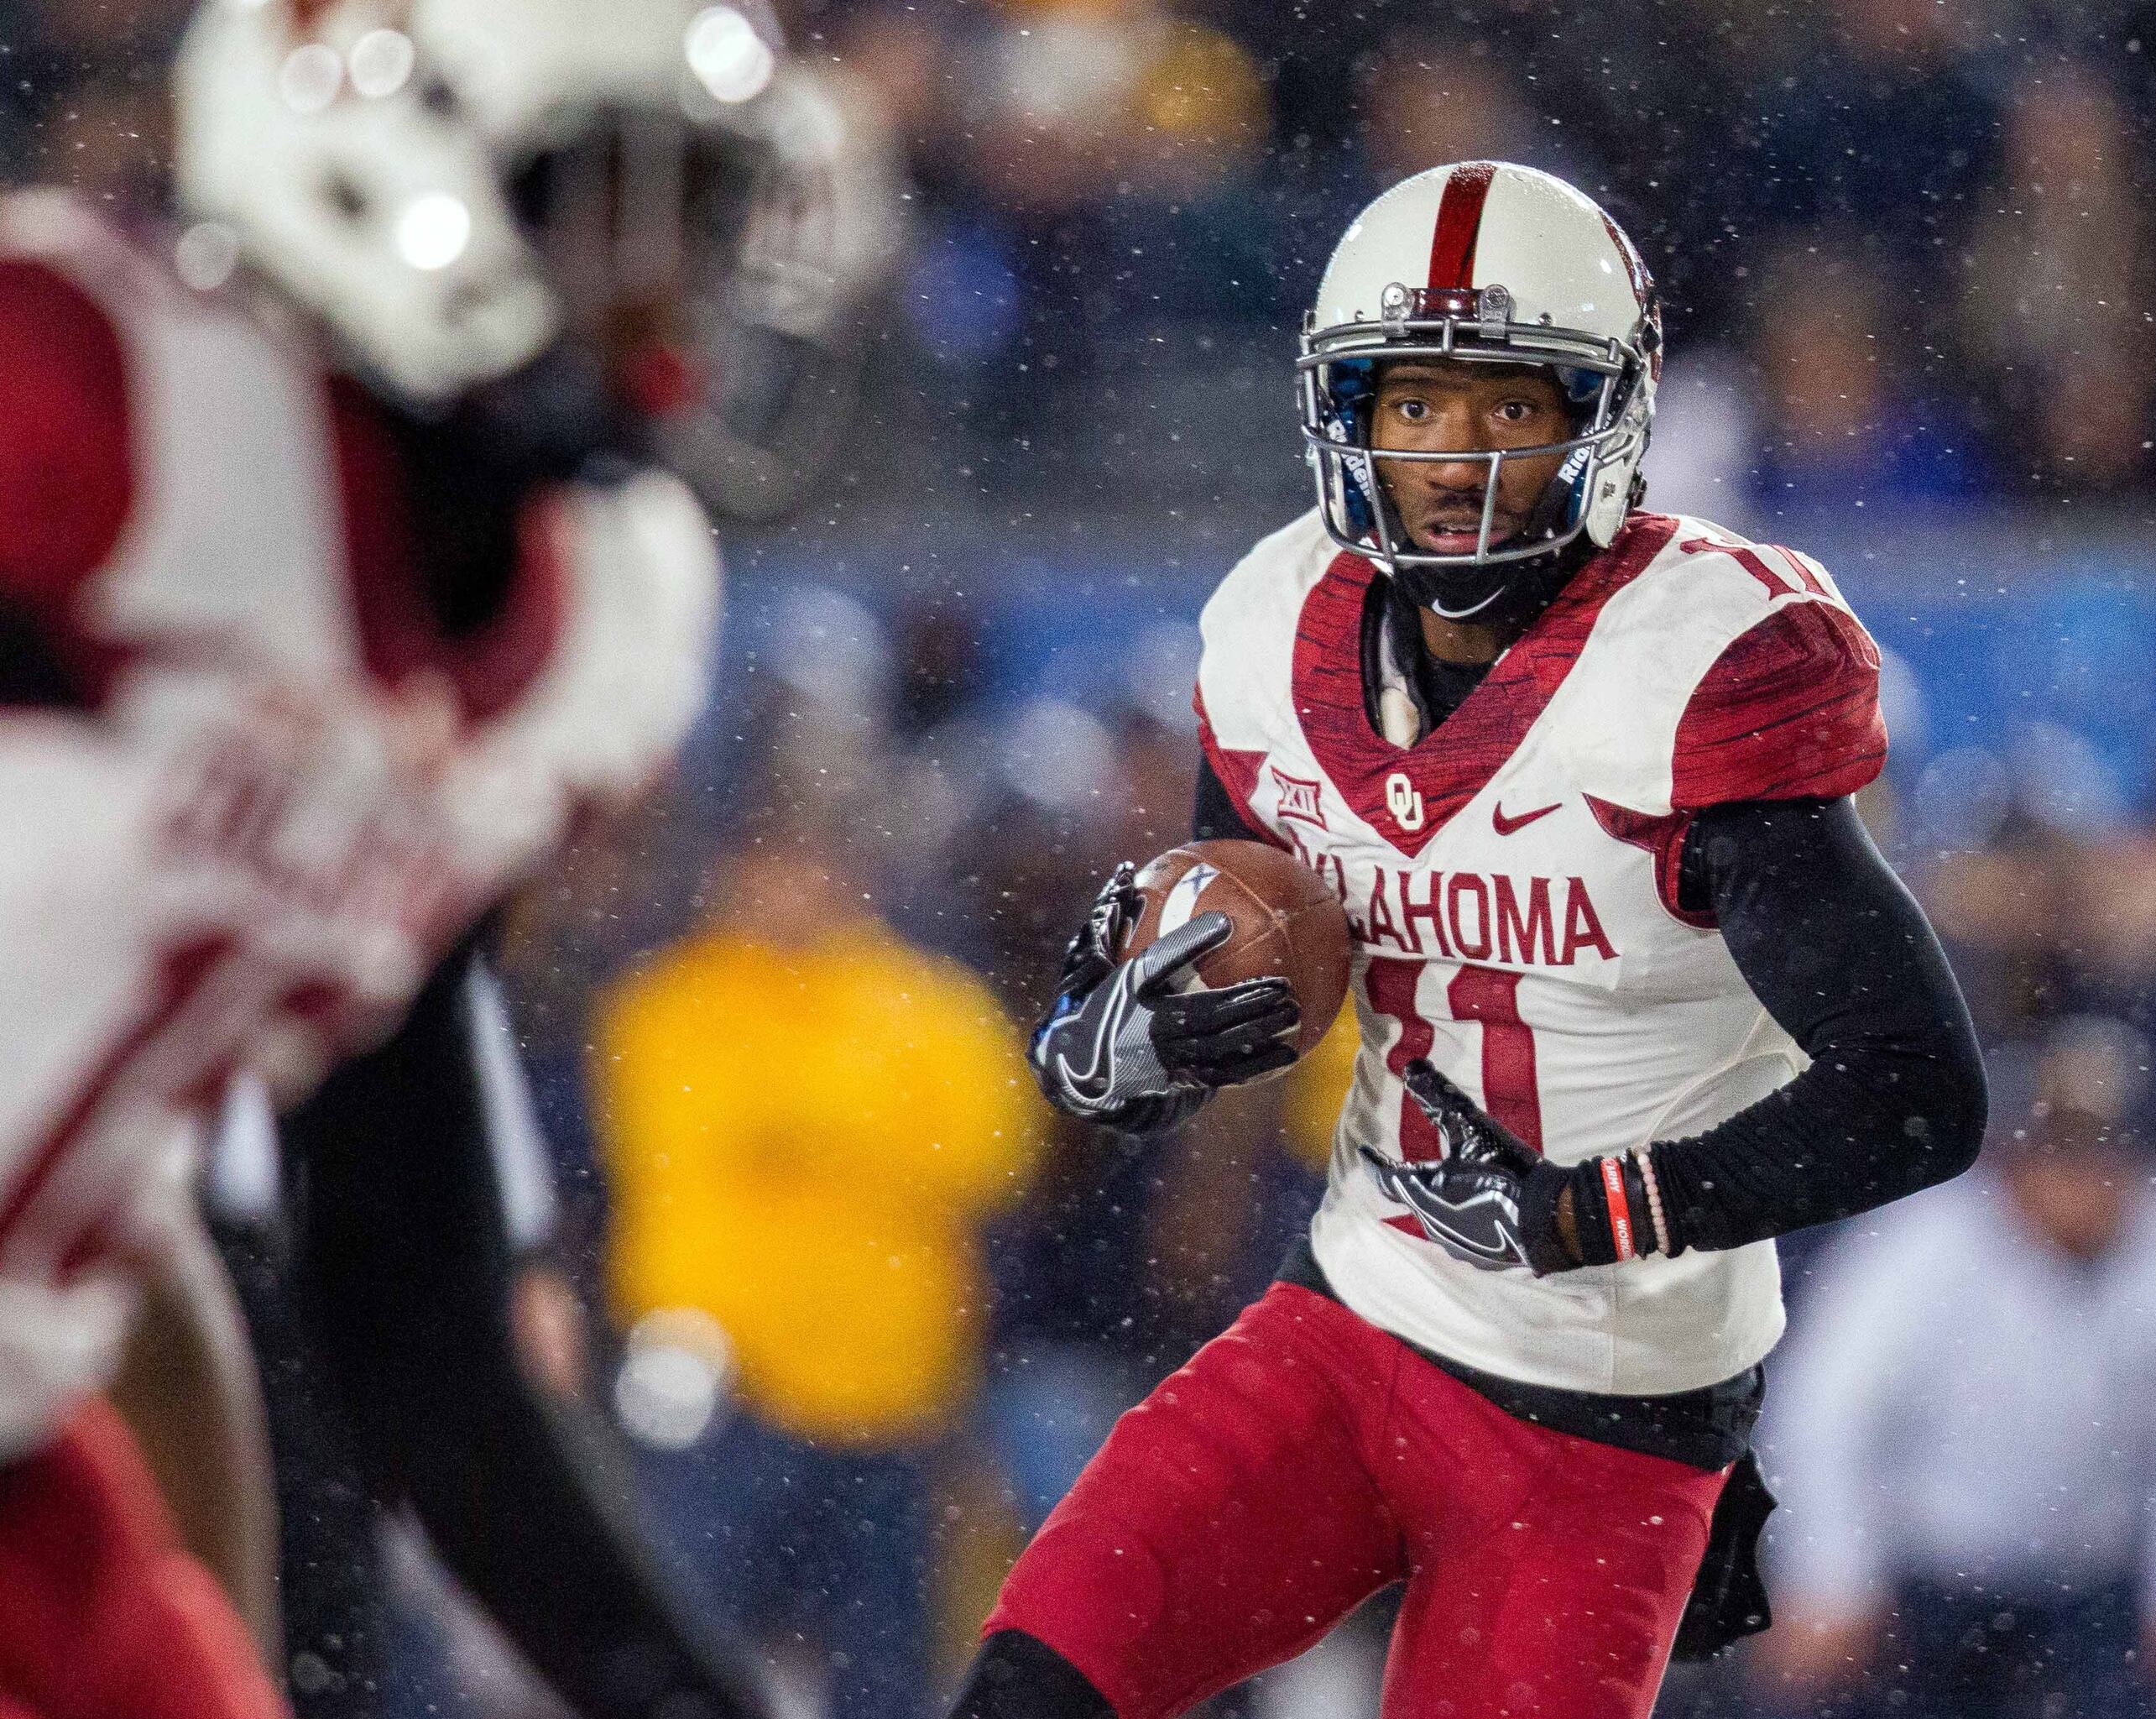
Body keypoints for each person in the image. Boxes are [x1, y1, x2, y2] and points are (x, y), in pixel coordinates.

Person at [957, 159, 1992, 1719]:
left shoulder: (1698, 666)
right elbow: (1246, 954)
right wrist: (1132, 1050)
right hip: (1349, 1325)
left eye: (1513, 406)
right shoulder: (1268, 622)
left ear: (1606, 418)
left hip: (1611, 1417)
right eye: (1415, 403)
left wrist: (1605, 1209)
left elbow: (1918, 1087)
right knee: (1030, 1690)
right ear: (1347, 413)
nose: (1457, 457)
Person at [0, 2, 864, 1715]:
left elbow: (415, 1320)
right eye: (612, 200)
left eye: (699, 218)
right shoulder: (89, 392)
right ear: (377, 154)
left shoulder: (586, 620)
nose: (674, 288)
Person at [594, 835, 1040, 1719]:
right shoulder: (669, 997)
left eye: (809, 866)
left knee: (886, 1663)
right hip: (720, 1373)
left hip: (888, 1386)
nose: (787, 892)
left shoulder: (930, 1002)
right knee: (678, 1635)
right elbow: (669, 1127)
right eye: (766, 866)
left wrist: (807, 1127)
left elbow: (1000, 1151)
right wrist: (866, 1128)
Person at [1751, 1023, 2156, 1719]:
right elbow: (1822, 1421)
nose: (2081, 1182)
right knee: (1804, 1682)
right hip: (1924, 1586)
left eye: (2104, 1155)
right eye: (2059, 1155)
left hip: (2108, 1591)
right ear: (2014, 1158)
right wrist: (1832, 1580)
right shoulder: (1922, 1242)